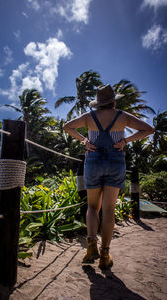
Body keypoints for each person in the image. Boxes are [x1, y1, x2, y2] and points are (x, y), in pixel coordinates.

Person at [63, 84, 154, 269]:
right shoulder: (122, 116)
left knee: (92, 207)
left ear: (98, 103)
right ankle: (105, 255)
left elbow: (67, 126)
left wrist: (84, 140)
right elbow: (148, 129)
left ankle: (90, 249)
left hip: (93, 162)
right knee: (109, 209)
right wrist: (126, 141)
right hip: (115, 162)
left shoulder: (89, 117)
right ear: (113, 101)